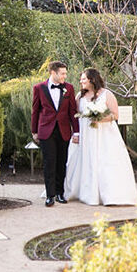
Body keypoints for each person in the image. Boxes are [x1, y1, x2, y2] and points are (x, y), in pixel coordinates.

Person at [64, 68, 137, 206]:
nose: (81, 81)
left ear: (92, 79)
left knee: (105, 162)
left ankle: (109, 194)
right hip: (86, 134)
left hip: (104, 135)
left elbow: (115, 114)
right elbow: (75, 116)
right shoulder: (79, 96)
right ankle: (86, 193)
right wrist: (76, 133)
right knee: (84, 160)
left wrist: (99, 119)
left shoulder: (106, 94)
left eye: (83, 79)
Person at [31, 61, 80, 207]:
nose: (65, 75)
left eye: (66, 73)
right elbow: (35, 111)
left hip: (64, 130)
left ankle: (60, 193)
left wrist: (76, 131)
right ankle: (50, 195)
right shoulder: (39, 88)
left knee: (61, 162)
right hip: (46, 130)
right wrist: (34, 131)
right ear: (53, 73)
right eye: (62, 73)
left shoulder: (69, 88)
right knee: (49, 163)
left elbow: (72, 111)